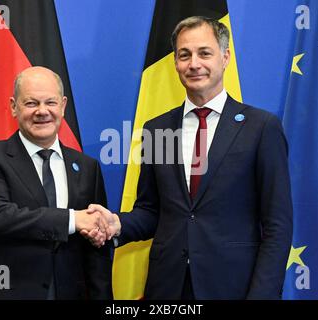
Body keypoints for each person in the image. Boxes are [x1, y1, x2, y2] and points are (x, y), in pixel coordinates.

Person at [86, 16, 293, 299]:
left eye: (204, 53)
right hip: (168, 288)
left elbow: (277, 225)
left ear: (225, 57)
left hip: (235, 288)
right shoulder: (156, 129)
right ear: (175, 63)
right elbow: (151, 211)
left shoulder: (261, 127)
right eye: (184, 55)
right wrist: (117, 224)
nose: (194, 63)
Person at [0, 66, 112, 300]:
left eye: (51, 103)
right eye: (31, 103)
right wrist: (72, 219)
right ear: (14, 107)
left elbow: (95, 249)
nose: (42, 111)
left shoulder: (87, 166)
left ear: (63, 106)